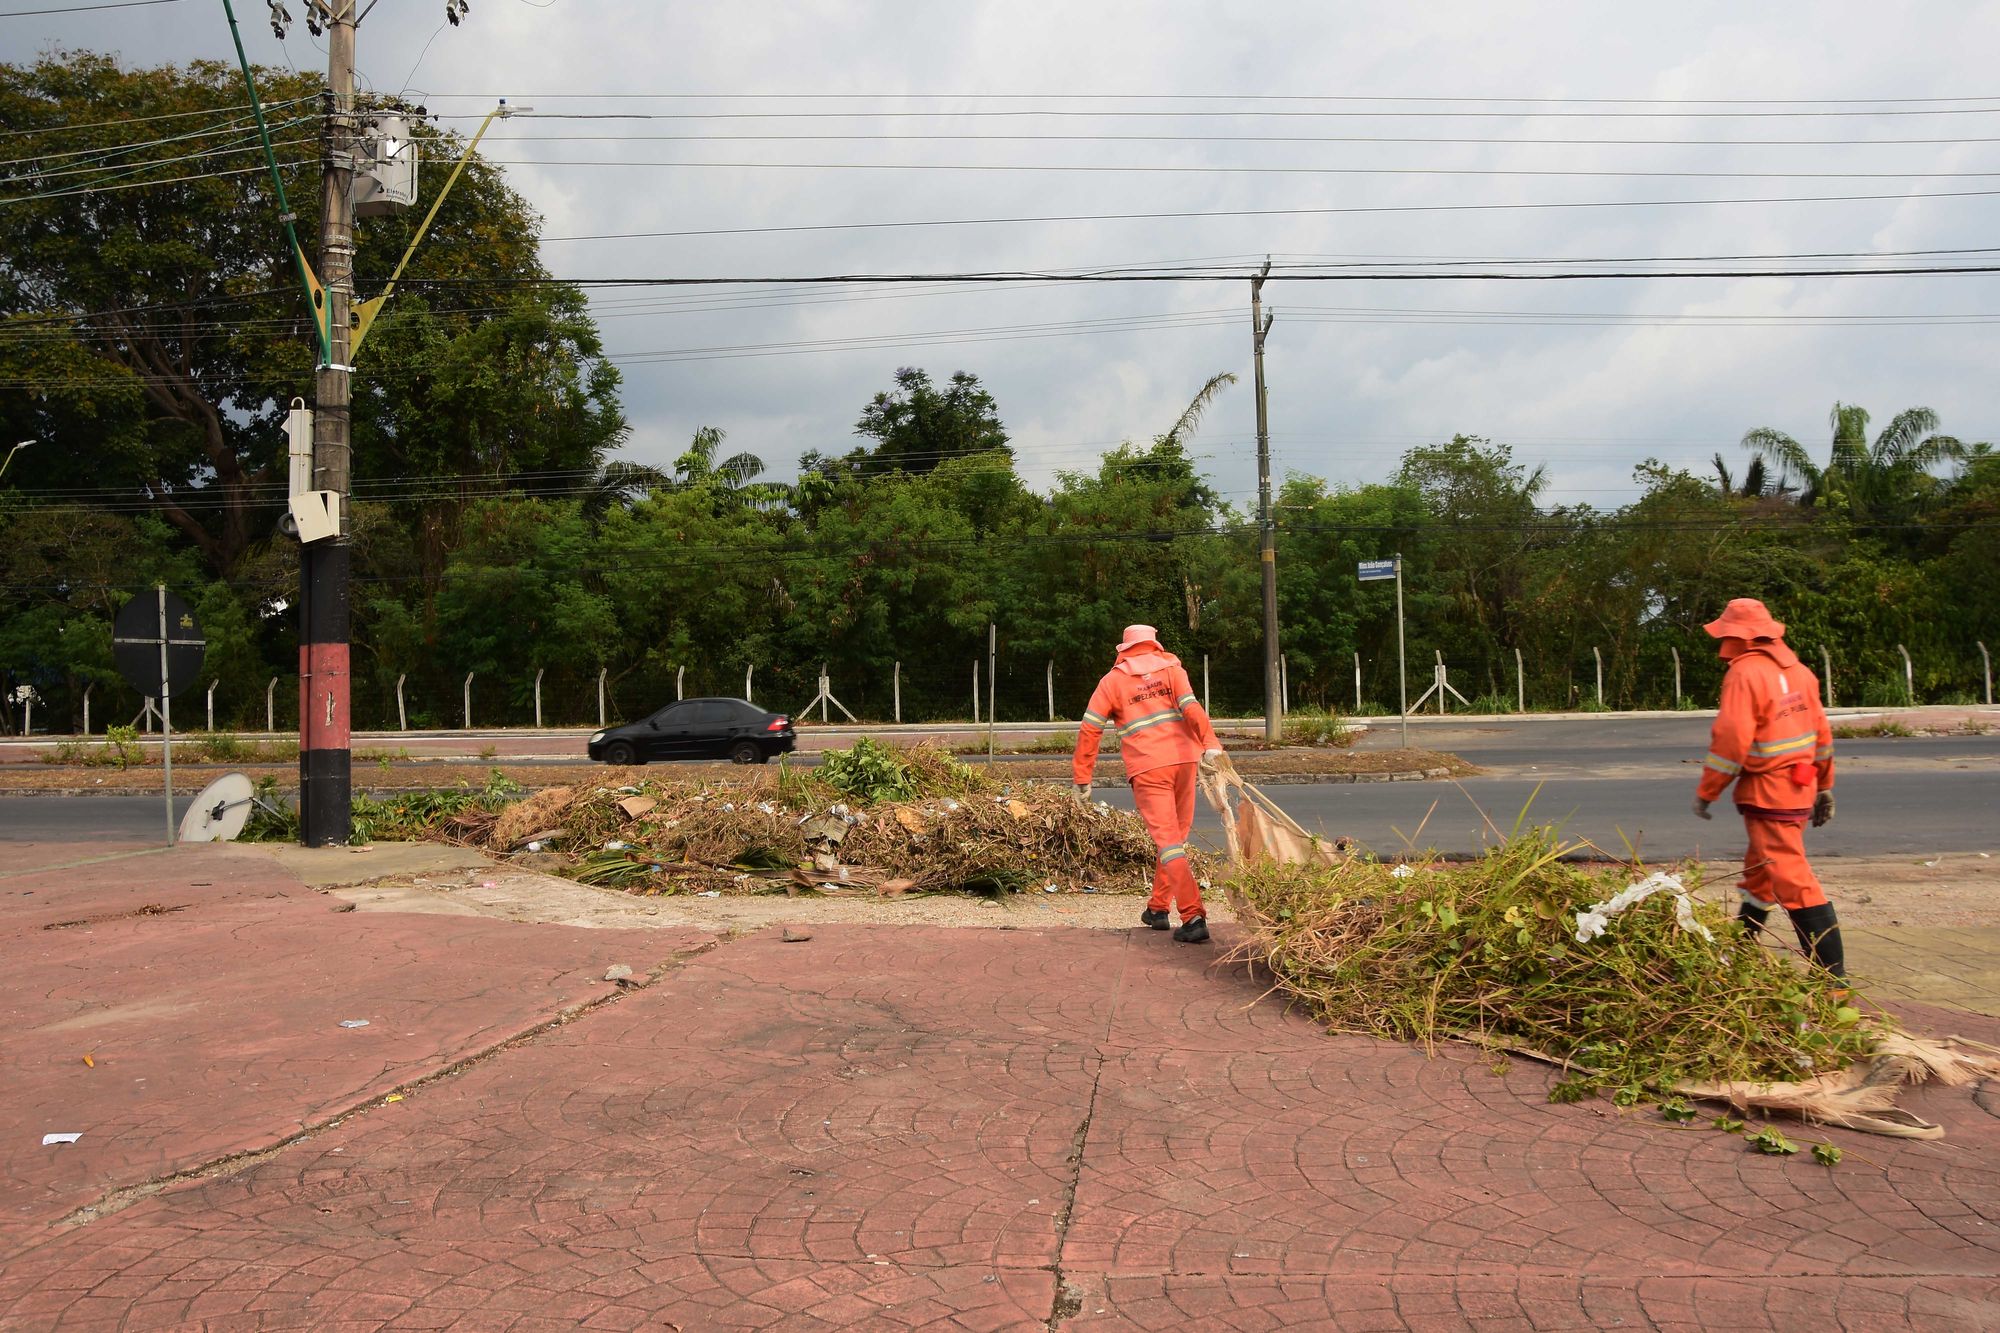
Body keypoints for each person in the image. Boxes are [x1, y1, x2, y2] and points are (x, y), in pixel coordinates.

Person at [1693, 598, 1844, 978]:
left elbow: (1731, 739)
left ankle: (1833, 979)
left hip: (1767, 792)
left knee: (1793, 879)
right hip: (1800, 786)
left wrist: (1708, 791)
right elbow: (1822, 735)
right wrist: (1824, 785)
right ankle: (1740, 953)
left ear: (1737, 637)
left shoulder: (1744, 674)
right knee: (1761, 873)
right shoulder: (1801, 673)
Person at [1073, 625, 1224, 943]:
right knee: (1174, 839)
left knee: (1168, 842)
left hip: (1148, 766)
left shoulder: (1112, 681)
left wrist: (1082, 778)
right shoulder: (1172, 669)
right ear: (1154, 645)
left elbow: (1090, 730)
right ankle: (1157, 908)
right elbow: (1192, 708)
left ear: (1124, 649)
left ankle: (1193, 916)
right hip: (1185, 761)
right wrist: (1211, 745)